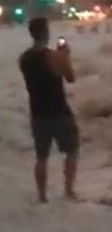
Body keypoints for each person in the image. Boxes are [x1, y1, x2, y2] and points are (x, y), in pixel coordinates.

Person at [19, 17, 79, 203]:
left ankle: (42, 196)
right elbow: (70, 77)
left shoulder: (24, 58)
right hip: (59, 111)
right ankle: (68, 190)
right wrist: (65, 55)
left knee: (41, 157)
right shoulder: (54, 56)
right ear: (46, 32)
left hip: (38, 112)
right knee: (72, 150)